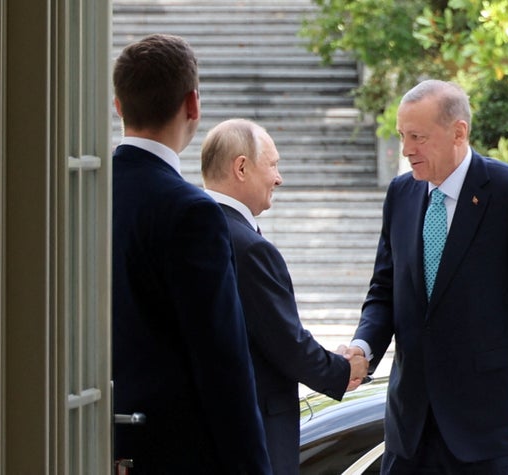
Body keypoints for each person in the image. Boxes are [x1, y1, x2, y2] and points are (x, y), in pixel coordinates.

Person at [342, 79, 508, 474]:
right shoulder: (401, 194)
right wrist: (363, 347)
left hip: (487, 429)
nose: (407, 149)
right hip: (409, 428)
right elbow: (384, 290)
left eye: (418, 137)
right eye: (401, 136)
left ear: (458, 132)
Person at [111, 35, 271, 474]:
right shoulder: (192, 212)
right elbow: (223, 365)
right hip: (174, 454)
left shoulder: (84, 193)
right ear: (193, 105)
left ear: (118, 106)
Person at [200, 118, 369, 474]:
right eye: (273, 165)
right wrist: (343, 369)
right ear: (241, 167)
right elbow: (285, 343)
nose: (279, 178)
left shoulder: (194, 228)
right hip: (255, 433)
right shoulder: (249, 247)